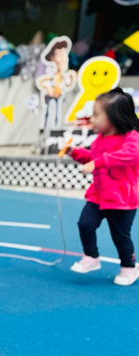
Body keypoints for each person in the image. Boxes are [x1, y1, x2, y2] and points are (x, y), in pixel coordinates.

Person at [65, 89, 139, 286]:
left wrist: (98, 162)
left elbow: (131, 155)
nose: (92, 119)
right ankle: (92, 256)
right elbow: (93, 157)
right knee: (85, 224)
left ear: (114, 117)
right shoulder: (100, 139)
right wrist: (76, 153)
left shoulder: (131, 137)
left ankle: (129, 267)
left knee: (120, 236)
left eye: (97, 115)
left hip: (122, 199)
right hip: (99, 195)